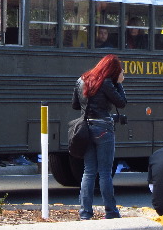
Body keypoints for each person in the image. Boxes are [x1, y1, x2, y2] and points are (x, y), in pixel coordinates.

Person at [71, 54, 127, 220]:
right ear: (112, 71)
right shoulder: (107, 83)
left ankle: (85, 213)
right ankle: (111, 212)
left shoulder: (82, 80)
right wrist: (119, 83)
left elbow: (75, 104)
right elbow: (122, 102)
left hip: (86, 129)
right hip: (103, 128)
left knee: (88, 172)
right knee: (104, 172)